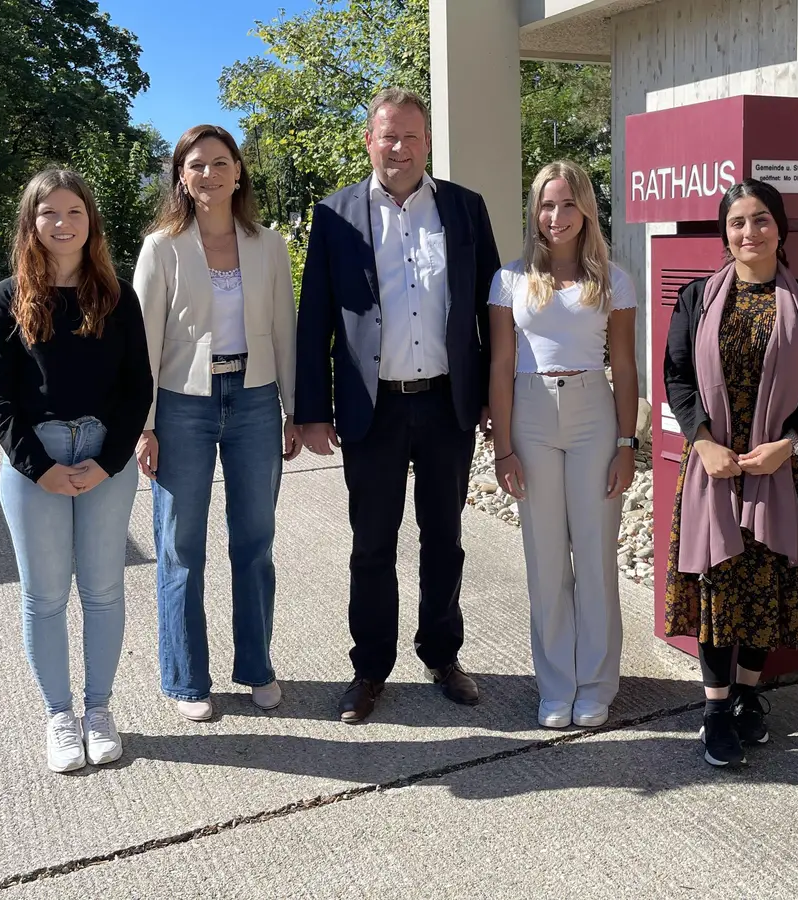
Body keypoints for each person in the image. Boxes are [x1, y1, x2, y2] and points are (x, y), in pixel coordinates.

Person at [296, 87, 502, 724]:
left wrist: (496, 400)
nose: (401, 147)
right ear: (369, 140)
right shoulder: (335, 215)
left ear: (428, 143)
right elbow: (315, 321)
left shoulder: (466, 210)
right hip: (371, 409)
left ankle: (442, 655)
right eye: (389, 135)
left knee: (445, 537)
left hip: (447, 405)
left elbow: (492, 314)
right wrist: (312, 409)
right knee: (371, 544)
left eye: (412, 136)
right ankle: (369, 670)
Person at [0, 168, 153, 772]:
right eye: (48, 212)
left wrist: (108, 462)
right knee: (45, 596)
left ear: (90, 221)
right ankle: (59, 715)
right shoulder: (8, 298)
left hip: (106, 456)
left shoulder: (117, 296)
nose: (62, 223)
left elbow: (138, 389)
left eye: (74, 211)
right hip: (35, 466)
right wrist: (38, 468)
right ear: (31, 222)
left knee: (103, 591)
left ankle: (99, 710)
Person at [662, 179, 798, 768]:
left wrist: (786, 445)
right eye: (737, 222)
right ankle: (715, 711)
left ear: (780, 227)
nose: (749, 232)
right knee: (719, 580)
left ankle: (749, 697)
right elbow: (678, 377)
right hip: (714, 465)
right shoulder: (698, 299)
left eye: (760, 220)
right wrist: (703, 442)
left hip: (779, 466)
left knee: (765, 578)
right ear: (725, 233)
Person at [132, 124, 301, 722]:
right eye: (196, 164)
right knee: (181, 547)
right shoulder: (162, 248)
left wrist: (292, 408)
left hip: (255, 401)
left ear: (238, 172)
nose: (210, 174)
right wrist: (144, 423)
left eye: (221, 162)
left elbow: (285, 329)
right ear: (181, 175)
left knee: (255, 542)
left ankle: (256, 667)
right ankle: (185, 679)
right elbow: (143, 342)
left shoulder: (268, 244)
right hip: (183, 404)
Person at [488, 160, 638, 729]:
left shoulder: (614, 281)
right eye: (547, 205)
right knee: (546, 558)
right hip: (530, 417)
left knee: (596, 555)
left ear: (586, 211)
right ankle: (555, 685)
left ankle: (596, 683)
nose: (557, 216)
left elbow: (624, 368)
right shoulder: (508, 279)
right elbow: (501, 367)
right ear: (535, 211)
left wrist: (628, 442)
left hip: (593, 417)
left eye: (568, 204)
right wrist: (503, 449)